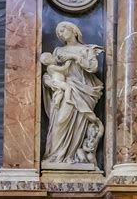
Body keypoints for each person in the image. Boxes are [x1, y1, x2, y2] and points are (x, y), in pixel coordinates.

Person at [42, 21, 104, 168]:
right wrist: (47, 81)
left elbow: (93, 67)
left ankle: (71, 155)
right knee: (60, 120)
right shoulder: (58, 51)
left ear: (74, 31)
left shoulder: (86, 49)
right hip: (65, 89)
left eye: (63, 30)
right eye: (59, 33)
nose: (61, 34)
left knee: (78, 124)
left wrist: (75, 57)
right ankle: (56, 155)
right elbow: (49, 70)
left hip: (83, 90)